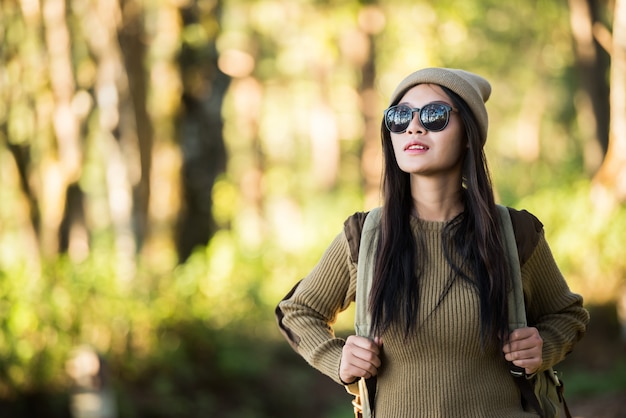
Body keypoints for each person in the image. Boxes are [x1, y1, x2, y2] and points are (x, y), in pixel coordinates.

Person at [275, 67, 589, 417]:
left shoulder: (514, 234)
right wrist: (340, 361)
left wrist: (542, 347)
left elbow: (567, 314)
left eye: (434, 115)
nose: (413, 127)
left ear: (469, 134)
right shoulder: (365, 237)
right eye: (399, 116)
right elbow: (297, 311)